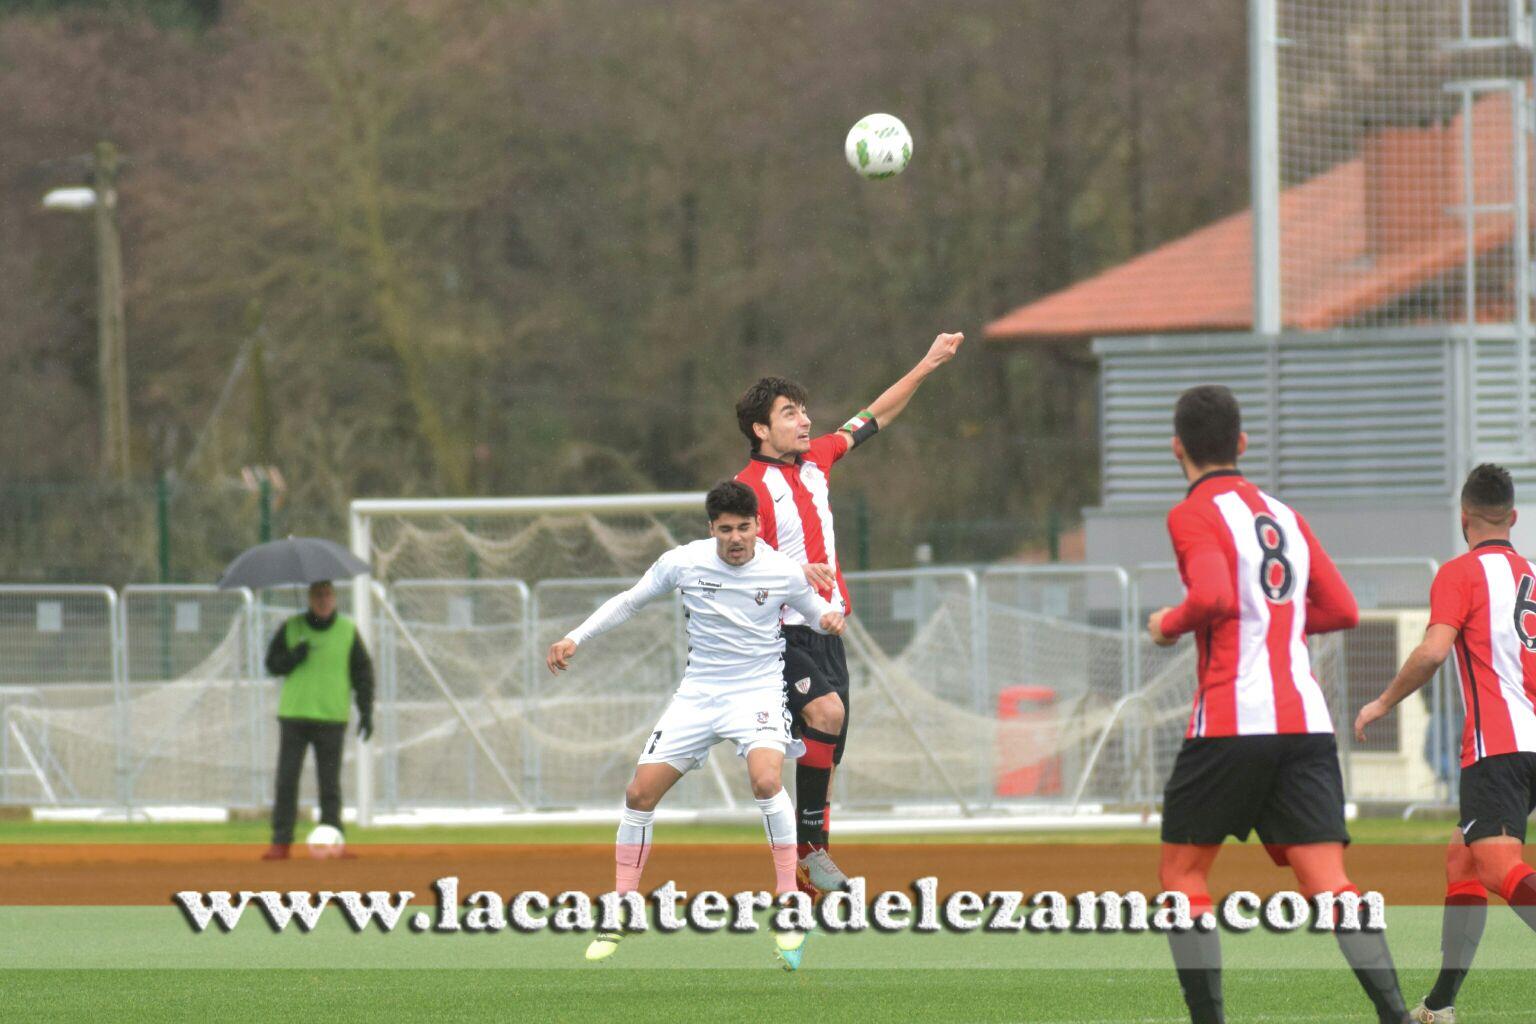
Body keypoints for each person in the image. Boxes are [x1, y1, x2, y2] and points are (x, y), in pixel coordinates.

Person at [1147, 385, 1411, 1024]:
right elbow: (1342, 609)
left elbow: (1210, 597)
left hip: (1233, 720)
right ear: (1241, 443)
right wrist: (1280, 625)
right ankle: (1398, 1017)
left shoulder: (1192, 513)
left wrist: (1166, 623)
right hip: (1306, 725)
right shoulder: (1283, 514)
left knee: (1183, 877)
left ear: (1177, 447)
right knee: (1329, 883)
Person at [546, 481, 845, 970]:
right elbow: (629, 600)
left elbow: (815, 612)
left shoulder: (782, 571)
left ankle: (789, 902)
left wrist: (830, 619)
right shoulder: (684, 561)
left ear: (757, 527)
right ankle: (621, 907)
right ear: (711, 529)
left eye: (743, 528)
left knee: (767, 780)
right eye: (725, 529)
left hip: (757, 693)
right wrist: (575, 637)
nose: (734, 538)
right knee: (639, 795)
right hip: (699, 695)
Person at [733, 330, 963, 896]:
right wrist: (791, 583)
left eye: (804, 410)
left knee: (829, 754)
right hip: (782, 635)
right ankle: (810, 856)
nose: (804, 421)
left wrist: (927, 363)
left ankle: (810, 866)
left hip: (831, 636)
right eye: (790, 413)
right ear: (761, 429)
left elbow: (874, 415)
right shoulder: (747, 489)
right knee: (827, 715)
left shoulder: (820, 461)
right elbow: (734, 560)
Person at [1356, 464, 1536, 1024]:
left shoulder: (1460, 574)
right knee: (1463, 854)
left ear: (1464, 519)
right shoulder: (1532, 574)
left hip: (1499, 747)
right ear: (1512, 517)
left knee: (1495, 860)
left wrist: (1382, 703)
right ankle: (1439, 1006)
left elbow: (1434, 652)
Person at [260, 580, 374, 861]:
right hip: (295, 715)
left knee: (330, 783)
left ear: (334, 599)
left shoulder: (347, 631)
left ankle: (333, 837)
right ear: (310, 599)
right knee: (287, 780)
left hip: (331, 717)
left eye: (327, 595)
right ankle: (281, 842)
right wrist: (293, 657)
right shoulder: (292, 628)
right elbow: (272, 664)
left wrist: (366, 711)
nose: (323, 600)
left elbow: (363, 673)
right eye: (317, 595)